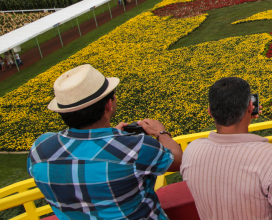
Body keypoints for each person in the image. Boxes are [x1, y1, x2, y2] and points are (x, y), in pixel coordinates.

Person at [29, 64, 182, 220]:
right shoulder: (135, 147)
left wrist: (111, 139)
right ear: (109, 104)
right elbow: (178, 161)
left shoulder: (40, 148)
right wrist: (161, 133)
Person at [181, 77, 272, 220]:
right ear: (250, 108)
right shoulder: (271, 158)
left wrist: (245, 117)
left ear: (210, 112)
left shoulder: (192, 151)